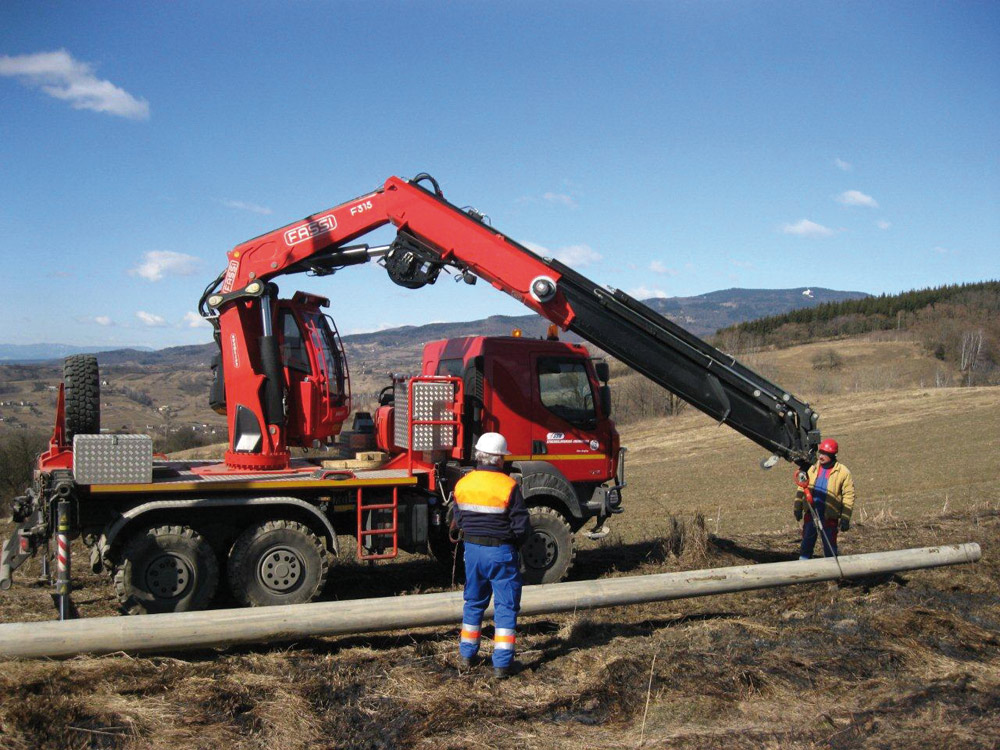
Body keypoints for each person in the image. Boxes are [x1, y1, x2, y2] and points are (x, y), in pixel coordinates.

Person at [453, 432, 530, 679]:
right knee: (505, 606)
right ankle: (502, 665)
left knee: (473, 602)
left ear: (479, 455)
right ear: (498, 459)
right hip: (501, 552)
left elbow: (458, 519)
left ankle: (466, 656)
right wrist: (515, 546)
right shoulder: (508, 486)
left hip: (472, 551)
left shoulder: (463, 483)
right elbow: (521, 527)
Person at [794, 438, 856, 560]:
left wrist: (845, 518)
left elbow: (849, 496)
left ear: (833, 455)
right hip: (811, 513)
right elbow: (801, 487)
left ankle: (832, 573)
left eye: (825, 454)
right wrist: (797, 507)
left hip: (829, 517)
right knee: (806, 544)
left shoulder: (843, 472)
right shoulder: (811, 467)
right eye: (820, 453)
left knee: (830, 546)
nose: (821, 456)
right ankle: (803, 570)